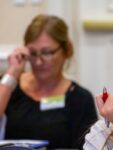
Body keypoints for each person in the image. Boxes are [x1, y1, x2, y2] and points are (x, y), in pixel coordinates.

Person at [0, 14, 98, 150]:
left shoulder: (80, 99)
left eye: (47, 53)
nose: (39, 62)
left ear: (66, 50)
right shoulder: (9, 87)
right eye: (33, 54)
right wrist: (12, 73)